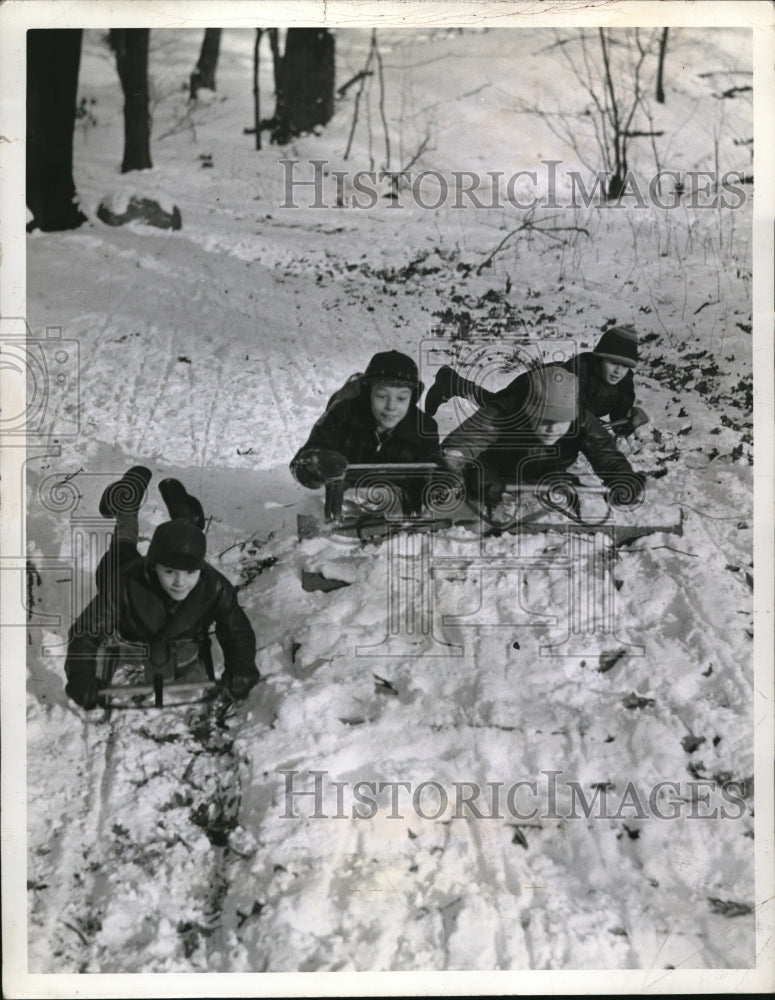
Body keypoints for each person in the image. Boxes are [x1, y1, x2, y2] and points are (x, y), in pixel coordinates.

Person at [64, 467, 259, 710]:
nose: (180, 582)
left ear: (201, 569)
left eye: (190, 573)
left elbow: (236, 631)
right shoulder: (124, 584)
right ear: (153, 567)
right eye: (169, 572)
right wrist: (80, 674)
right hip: (124, 573)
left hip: (178, 633)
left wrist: (241, 666)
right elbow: (86, 630)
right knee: (122, 546)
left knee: (184, 542)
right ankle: (128, 501)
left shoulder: (215, 586)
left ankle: (182, 510)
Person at [440, 365, 646, 509]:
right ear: (529, 412)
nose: (552, 429)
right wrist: (461, 466)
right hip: (496, 472)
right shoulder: (506, 410)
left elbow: (606, 454)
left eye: (561, 422)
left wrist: (624, 479)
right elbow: (465, 442)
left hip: (546, 474)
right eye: (545, 421)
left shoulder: (580, 418)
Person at [424, 326, 648, 436]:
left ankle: (452, 381)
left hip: (558, 416)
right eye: (613, 363)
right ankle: (451, 383)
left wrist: (631, 419)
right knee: (500, 409)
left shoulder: (624, 382)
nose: (618, 371)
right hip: (537, 387)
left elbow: (619, 420)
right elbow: (572, 412)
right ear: (599, 359)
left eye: (625, 367)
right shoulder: (578, 371)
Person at [290, 350, 441, 490]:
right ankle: (351, 385)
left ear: (412, 398)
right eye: (381, 396)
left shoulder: (425, 427)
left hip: (394, 502)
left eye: (402, 398)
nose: (391, 407)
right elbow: (300, 462)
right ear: (369, 393)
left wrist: (440, 477)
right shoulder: (343, 415)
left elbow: (431, 475)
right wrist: (316, 463)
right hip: (343, 498)